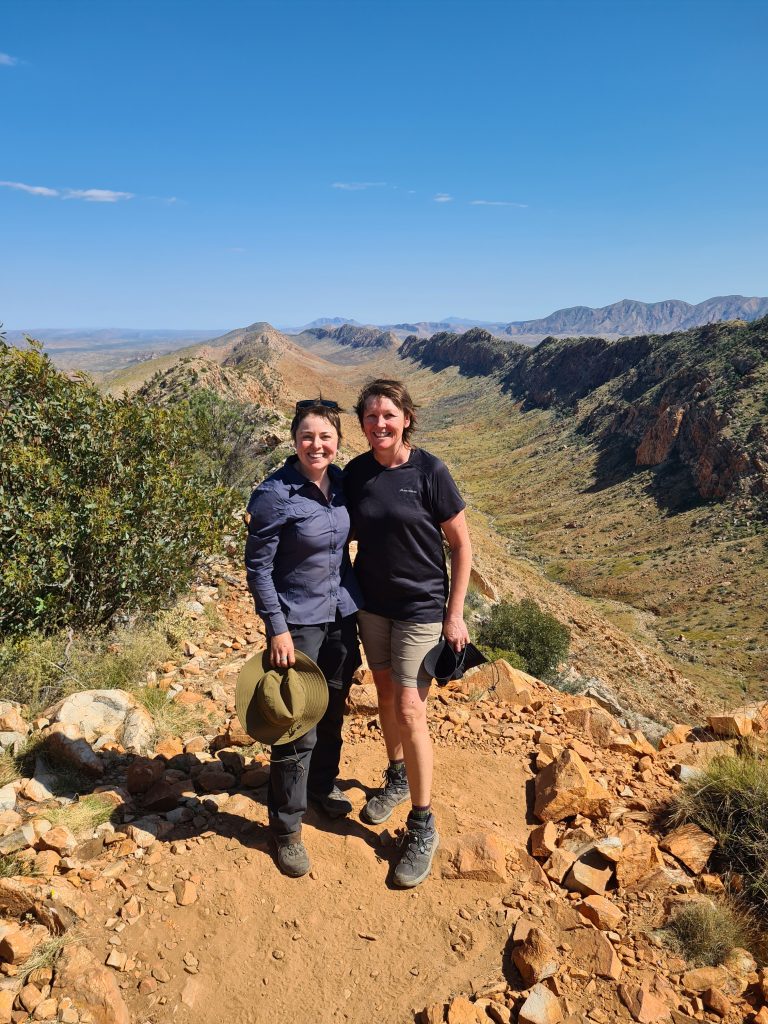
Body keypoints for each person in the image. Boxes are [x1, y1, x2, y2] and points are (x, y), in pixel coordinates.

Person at [344, 379, 472, 887]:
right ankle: (396, 776)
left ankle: (422, 822)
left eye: (388, 416)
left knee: (410, 708)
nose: (379, 425)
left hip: (421, 610)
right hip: (372, 607)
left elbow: (461, 546)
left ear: (406, 419)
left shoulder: (429, 471)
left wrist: (454, 613)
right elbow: (341, 529)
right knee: (383, 693)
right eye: (371, 417)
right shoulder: (356, 473)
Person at [244, 399, 361, 877]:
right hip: (299, 624)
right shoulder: (274, 494)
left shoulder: (341, 485)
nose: (318, 445)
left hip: (341, 615)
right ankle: (286, 827)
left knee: (333, 706)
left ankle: (319, 786)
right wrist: (278, 628)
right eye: (308, 436)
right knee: (296, 722)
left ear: (338, 441)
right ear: (294, 440)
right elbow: (258, 567)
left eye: (326, 437)